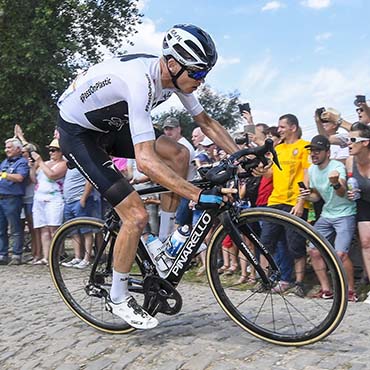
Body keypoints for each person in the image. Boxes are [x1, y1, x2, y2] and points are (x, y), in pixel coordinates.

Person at [56, 24, 239, 329]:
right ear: (172, 64)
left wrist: (241, 154)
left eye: (204, 74)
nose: (201, 80)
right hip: (79, 134)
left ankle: (163, 243)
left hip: (111, 126)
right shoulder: (140, 82)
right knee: (136, 216)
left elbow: (205, 121)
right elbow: (145, 161)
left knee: (179, 154)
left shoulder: (178, 79)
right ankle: (118, 296)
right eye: (196, 73)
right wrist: (195, 194)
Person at [257, 114, 310, 297]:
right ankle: (264, 280)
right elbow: (269, 173)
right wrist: (260, 170)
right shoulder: (278, 148)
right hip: (274, 201)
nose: (278, 130)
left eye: (282, 127)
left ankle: (300, 284)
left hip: (294, 203)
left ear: (293, 127)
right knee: (265, 243)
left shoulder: (304, 146)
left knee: (296, 245)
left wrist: (301, 202)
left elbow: (306, 175)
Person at [300, 135, 357, 302]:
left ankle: (351, 291)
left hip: (345, 213)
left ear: (328, 152)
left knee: (341, 255)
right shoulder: (311, 170)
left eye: (318, 151)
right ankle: (326, 290)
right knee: (314, 250)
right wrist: (307, 196)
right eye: (312, 151)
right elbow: (317, 197)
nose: (314, 154)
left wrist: (335, 183)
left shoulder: (336, 166)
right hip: (327, 213)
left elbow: (342, 191)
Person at [30, 139, 67, 265]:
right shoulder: (45, 163)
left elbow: (53, 175)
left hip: (54, 199)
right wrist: (33, 167)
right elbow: (34, 179)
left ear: (61, 152)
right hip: (39, 198)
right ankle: (46, 257)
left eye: (54, 150)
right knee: (43, 229)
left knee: (53, 229)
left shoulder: (63, 164)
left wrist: (40, 162)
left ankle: (56, 256)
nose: (51, 153)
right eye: (50, 150)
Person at [345, 123, 370, 289]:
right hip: (363, 203)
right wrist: (351, 192)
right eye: (347, 140)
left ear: (365, 142)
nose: (349, 143)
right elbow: (351, 185)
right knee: (366, 243)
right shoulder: (350, 161)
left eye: (353, 140)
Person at [0, 138, 29, 265]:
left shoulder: (22, 162)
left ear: (18, 149)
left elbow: (20, 177)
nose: (6, 150)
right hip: (1, 197)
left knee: (15, 228)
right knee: (1, 229)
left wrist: (5, 175)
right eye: (6, 147)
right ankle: (3, 254)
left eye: (9, 147)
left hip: (12, 198)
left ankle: (17, 254)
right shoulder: (5, 162)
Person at [61, 167, 94, 268]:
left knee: (86, 231)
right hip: (69, 202)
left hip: (79, 200)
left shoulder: (81, 163)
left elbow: (90, 180)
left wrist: (83, 198)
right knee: (73, 232)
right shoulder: (70, 166)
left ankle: (86, 259)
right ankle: (77, 257)